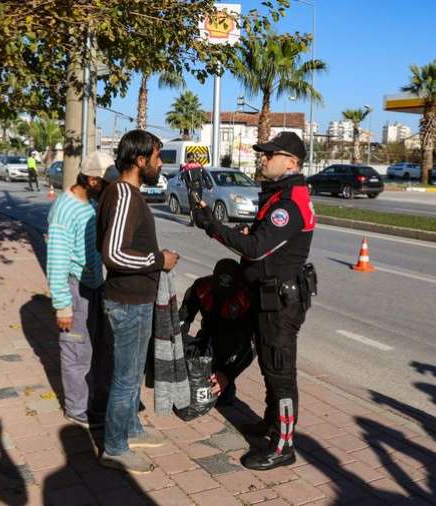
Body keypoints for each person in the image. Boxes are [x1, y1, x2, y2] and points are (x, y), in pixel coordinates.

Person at [194, 131, 316, 471]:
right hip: (269, 295)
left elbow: (256, 248)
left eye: (269, 154)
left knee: (280, 371)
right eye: (263, 153)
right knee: (268, 363)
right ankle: (270, 422)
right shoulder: (279, 196)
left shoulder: (290, 204)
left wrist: (213, 226)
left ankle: (283, 445)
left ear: (291, 161)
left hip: (282, 301)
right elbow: (260, 240)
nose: (263, 158)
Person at [96, 129, 180, 474]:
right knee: (126, 378)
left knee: (129, 373)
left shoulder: (126, 193)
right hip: (128, 302)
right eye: (158, 157)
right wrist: (159, 260)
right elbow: (113, 253)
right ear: (140, 160)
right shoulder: (125, 195)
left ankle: (130, 428)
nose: (161, 164)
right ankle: (114, 447)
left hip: (137, 300)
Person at [46, 151, 114, 429]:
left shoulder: (93, 204)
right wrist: (63, 306)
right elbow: (57, 261)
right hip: (76, 289)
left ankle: (96, 404)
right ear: (91, 180)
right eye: (105, 182)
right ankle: (76, 410)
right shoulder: (64, 209)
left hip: (96, 287)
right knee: (76, 352)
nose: (109, 187)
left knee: (99, 349)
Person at [178, 258, 255, 406]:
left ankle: (224, 382)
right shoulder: (201, 288)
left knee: (222, 396)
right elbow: (182, 321)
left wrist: (228, 375)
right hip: (206, 339)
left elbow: (252, 345)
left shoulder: (246, 300)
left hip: (231, 348)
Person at [180, 152, 204, 226]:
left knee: (192, 206)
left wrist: (188, 186)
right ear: (193, 158)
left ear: (188, 158)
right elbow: (205, 175)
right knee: (199, 204)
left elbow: (183, 178)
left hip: (192, 188)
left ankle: (192, 222)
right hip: (199, 187)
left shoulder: (187, 167)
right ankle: (200, 221)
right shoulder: (199, 166)